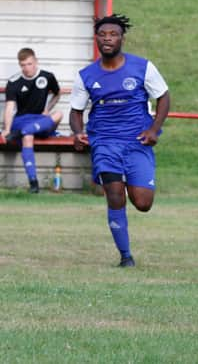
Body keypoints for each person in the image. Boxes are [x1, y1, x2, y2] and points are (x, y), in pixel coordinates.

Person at [69, 14, 171, 268]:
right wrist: (78, 132)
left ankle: (133, 182)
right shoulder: (86, 75)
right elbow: (75, 111)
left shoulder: (142, 67)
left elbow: (164, 97)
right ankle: (126, 257)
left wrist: (154, 129)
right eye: (103, 35)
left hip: (137, 141)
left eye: (113, 34)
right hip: (104, 142)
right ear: (97, 39)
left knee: (143, 203)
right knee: (115, 195)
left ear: (122, 38)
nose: (107, 39)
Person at [1, 48, 63, 193]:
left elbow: (57, 93)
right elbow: (10, 108)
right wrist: (7, 129)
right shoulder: (14, 81)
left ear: (36, 62)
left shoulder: (47, 77)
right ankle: (33, 183)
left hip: (41, 120)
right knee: (27, 137)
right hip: (22, 120)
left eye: (29, 64)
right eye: (23, 65)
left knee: (59, 113)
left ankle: (22, 132)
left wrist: (48, 108)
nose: (26, 68)